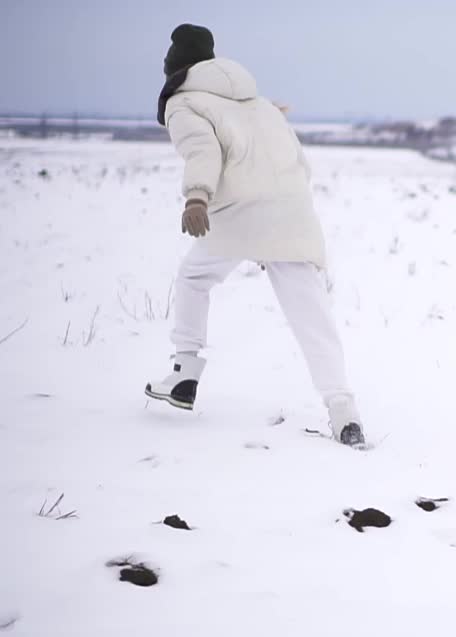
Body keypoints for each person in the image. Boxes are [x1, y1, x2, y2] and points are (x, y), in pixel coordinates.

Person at [144, 24, 365, 447]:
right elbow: (299, 161)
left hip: (239, 215)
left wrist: (196, 198)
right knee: (311, 313)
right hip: (292, 212)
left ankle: (184, 374)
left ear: (174, 68)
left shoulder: (183, 102)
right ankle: (343, 411)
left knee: (194, 278)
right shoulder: (260, 103)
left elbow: (202, 151)